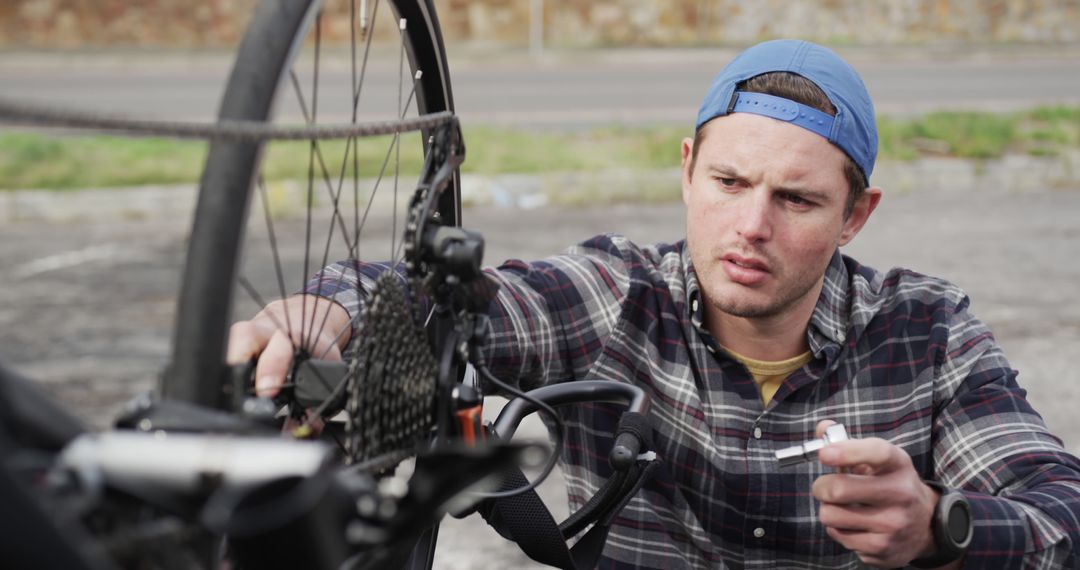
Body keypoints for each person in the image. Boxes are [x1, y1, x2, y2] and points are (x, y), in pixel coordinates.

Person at [227, 39, 1080, 569]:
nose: (750, 226)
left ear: (857, 215)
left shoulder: (926, 333)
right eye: (729, 182)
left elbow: (1059, 514)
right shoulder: (616, 295)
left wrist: (940, 529)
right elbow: (464, 301)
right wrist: (330, 306)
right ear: (686, 170)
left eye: (797, 200)